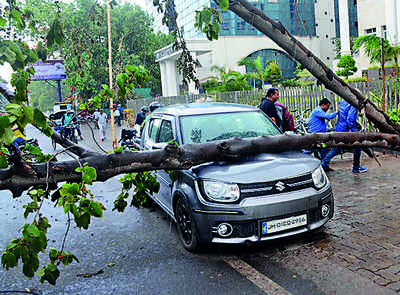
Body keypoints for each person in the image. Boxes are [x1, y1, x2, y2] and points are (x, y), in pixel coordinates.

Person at [321, 99, 368, 173]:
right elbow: (350, 117)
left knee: (338, 147)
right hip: (347, 129)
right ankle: (356, 167)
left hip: (340, 128)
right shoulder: (353, 102)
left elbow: (343, 115)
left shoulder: (343, 101)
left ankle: (324, 163)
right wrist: (351, 129)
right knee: (358, 145)